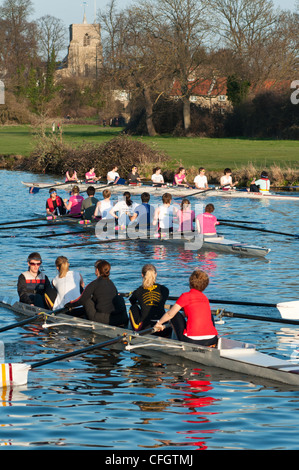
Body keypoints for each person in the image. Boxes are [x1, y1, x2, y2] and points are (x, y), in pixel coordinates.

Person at [154, 270, 218, 347]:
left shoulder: (185, 296)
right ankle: (212, 343)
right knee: (209, 315)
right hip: (213, 339)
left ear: (190, 282)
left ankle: (173, 340)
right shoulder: (205, 298)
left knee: (175, 314)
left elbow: (170, 314)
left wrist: (159, 323)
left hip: (192, 341)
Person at [66, 260, 128, 326]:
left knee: (87, 299)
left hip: (103, 319)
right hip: (121, 318)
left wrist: (68, 305)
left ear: (97, 270)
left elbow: (81, 301)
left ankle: (69, 313)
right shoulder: (111, 283)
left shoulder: (93, 284)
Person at [129, 264, 169, 332]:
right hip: (163, 328)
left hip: (145, 330)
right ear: (155, 274)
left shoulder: (138, 291)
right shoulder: (164, 289)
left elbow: (132, 300)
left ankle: (130, 327)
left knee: (133, 308)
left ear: (142, 275)